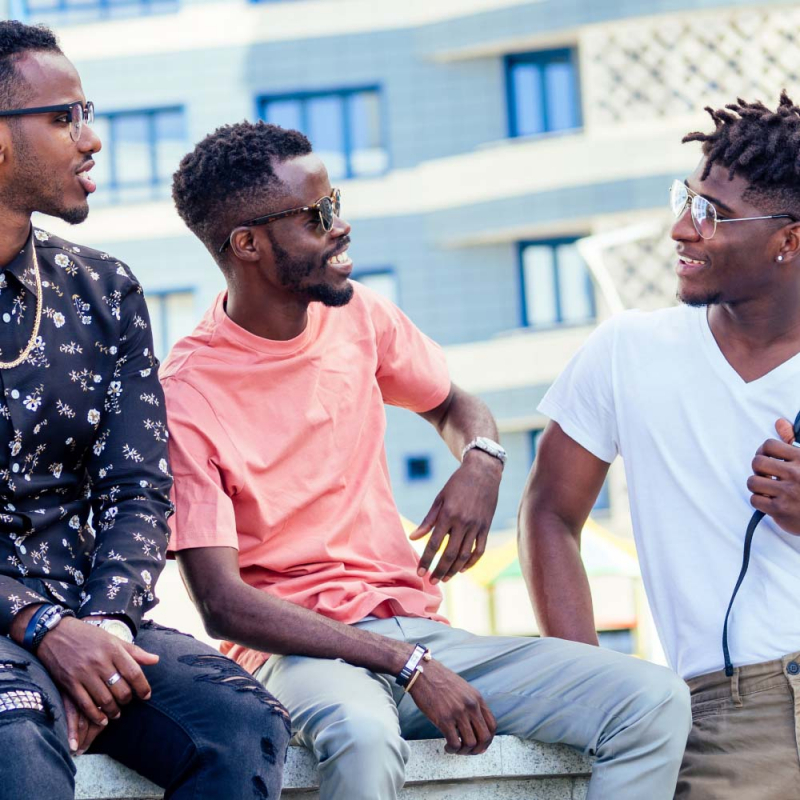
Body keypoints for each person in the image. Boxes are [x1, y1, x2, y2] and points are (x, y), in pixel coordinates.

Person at [162, 119, 691, 800]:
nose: (341, 227)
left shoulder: (358, 315)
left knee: (651, 699)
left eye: (338, 203)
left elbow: (454, 406)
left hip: (418, 631)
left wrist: (483, 460)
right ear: (248, 243)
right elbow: (223, 604)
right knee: (362, 737)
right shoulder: (185, 394)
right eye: (318, 214)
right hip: (299, 655)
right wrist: (404, 663)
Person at [0, 22, 289, 800]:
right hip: (14, 630)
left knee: (241, 725)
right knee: (16, 740)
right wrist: (40, 630)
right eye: (64, 117)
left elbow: (137, 487)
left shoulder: (104, 290)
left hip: (90, 610)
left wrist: (108, 632)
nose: (90, 140)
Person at [519, 91, 800, 799]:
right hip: (732, 722)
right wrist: (589, 684)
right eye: (687, 199)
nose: (682, 229)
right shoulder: (627, 352)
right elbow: (549, 515)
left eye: (714, 214)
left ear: (789, 240)